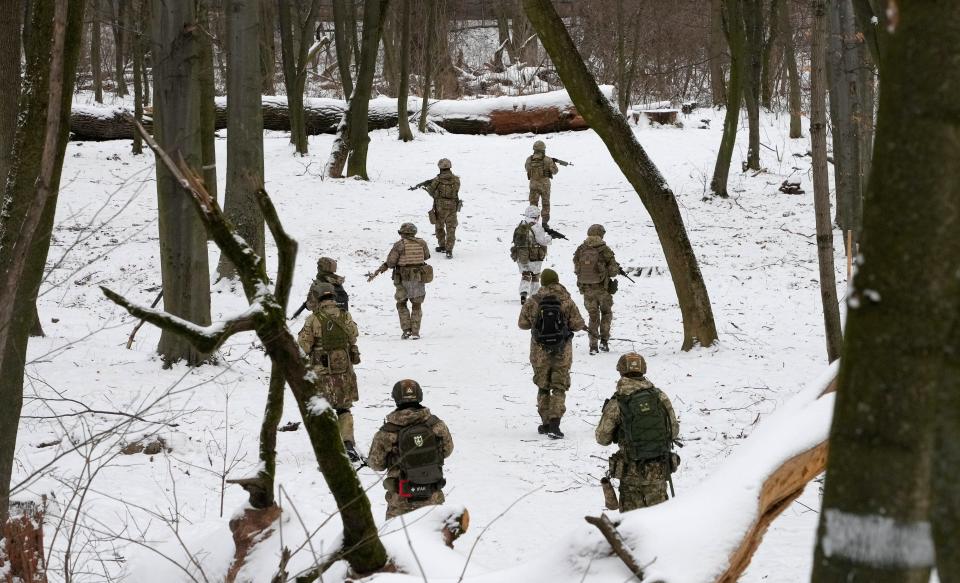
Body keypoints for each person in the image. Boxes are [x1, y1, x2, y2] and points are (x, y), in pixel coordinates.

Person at [595, 353, 680, 511]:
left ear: (620, 371)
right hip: (659, 471)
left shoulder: (618, 402)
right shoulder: (660, 397)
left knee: (632, 527)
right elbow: (674, 431)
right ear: (644, 371)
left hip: (631, 475)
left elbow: (602, 438)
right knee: (661, 520)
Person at [367, 379, 454, 519]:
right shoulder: (436, 425)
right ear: (419, 396)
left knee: (395, 540)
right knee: (434, 539)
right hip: (433, 500)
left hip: (400, 505)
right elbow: (447, 451)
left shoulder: (386, 433)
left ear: (396, 398)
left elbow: (376, 464)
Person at [297, 283, 363, 462]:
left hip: (321, 373)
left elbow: (303, 347)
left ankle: (328, 448)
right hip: (344, 372)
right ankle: (348, 444)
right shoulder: (345, 315)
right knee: (344, 408)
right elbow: (353, 335)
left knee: (322, 409)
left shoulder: (313, 320)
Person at [517, 269, 587, 439]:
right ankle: (555, 424)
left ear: (542, 282)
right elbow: (577, 324)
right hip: (562, 351)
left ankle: (545, 422)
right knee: (559, 386)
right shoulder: (566, 300)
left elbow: (522, 324)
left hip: (539, 352)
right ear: (557, 280)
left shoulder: (534, 300)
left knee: (543, 386)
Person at [370, 223, 432, 339]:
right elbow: (427, 256)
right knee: (417, 305)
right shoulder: (422, 243)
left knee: (401, 304)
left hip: (402, 279)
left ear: (403, 233)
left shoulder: (399, 245)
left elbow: (391, 263)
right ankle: (415, 332)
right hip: (418, 279)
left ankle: (406, 330)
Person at [572, 224, 622, 354]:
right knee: (606, 313)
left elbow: (577, 269)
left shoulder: (580, 250)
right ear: (601, 234)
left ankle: (593, 346)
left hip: (587, 289)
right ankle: (604, 342)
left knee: (593, 316)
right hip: (603, 290)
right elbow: (612, 272)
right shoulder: (604, 250)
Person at [511, 205, 552, 305]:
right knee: (535, 276)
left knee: (525, 274)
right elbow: (542, 241)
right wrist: (550, 237)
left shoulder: (521, 224)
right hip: (534, 257)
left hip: (521, 256)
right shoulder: (537, 227)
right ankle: (534, 296)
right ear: (537, 216)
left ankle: (523, 293)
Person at [426, 158, 461, 259]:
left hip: (440, 207)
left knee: (439, 226)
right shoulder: (456, 179)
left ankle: (442, 246)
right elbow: (456, 190)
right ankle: (449, 250)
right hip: (452, 206)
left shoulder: (437, 180)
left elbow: (431, 191)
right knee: (451, 228)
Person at [524, 140, 560, 227]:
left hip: (533, 185)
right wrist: (553, 164)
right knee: (545, 204)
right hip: (545, 186)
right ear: (543, 149)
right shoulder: (548, 160)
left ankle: (532, 221)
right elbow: (555, 171)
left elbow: (527, 169)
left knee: (533, 204)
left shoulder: (529, 159)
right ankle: (544, 223)